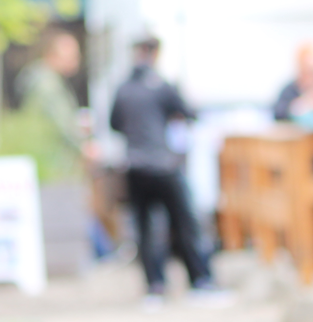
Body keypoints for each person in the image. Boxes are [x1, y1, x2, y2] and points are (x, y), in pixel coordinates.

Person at [110, 36, 219, 304]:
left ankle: (155, 287)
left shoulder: (123, 88)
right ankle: (200, 280)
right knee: (184, 222)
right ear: (156, 53)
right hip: (163, 164)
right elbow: (188, 112)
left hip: (135, 166)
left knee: (145, 228)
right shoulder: (162, 85)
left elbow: (115, 123)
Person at [15, 27, 93, 161]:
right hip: (51, 157)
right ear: (51, 55)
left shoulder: (42, 78)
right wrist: (83, 146)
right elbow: (61, 121)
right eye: (71, 56)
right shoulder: (47, 84)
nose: (76, 61)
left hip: (43, 154)